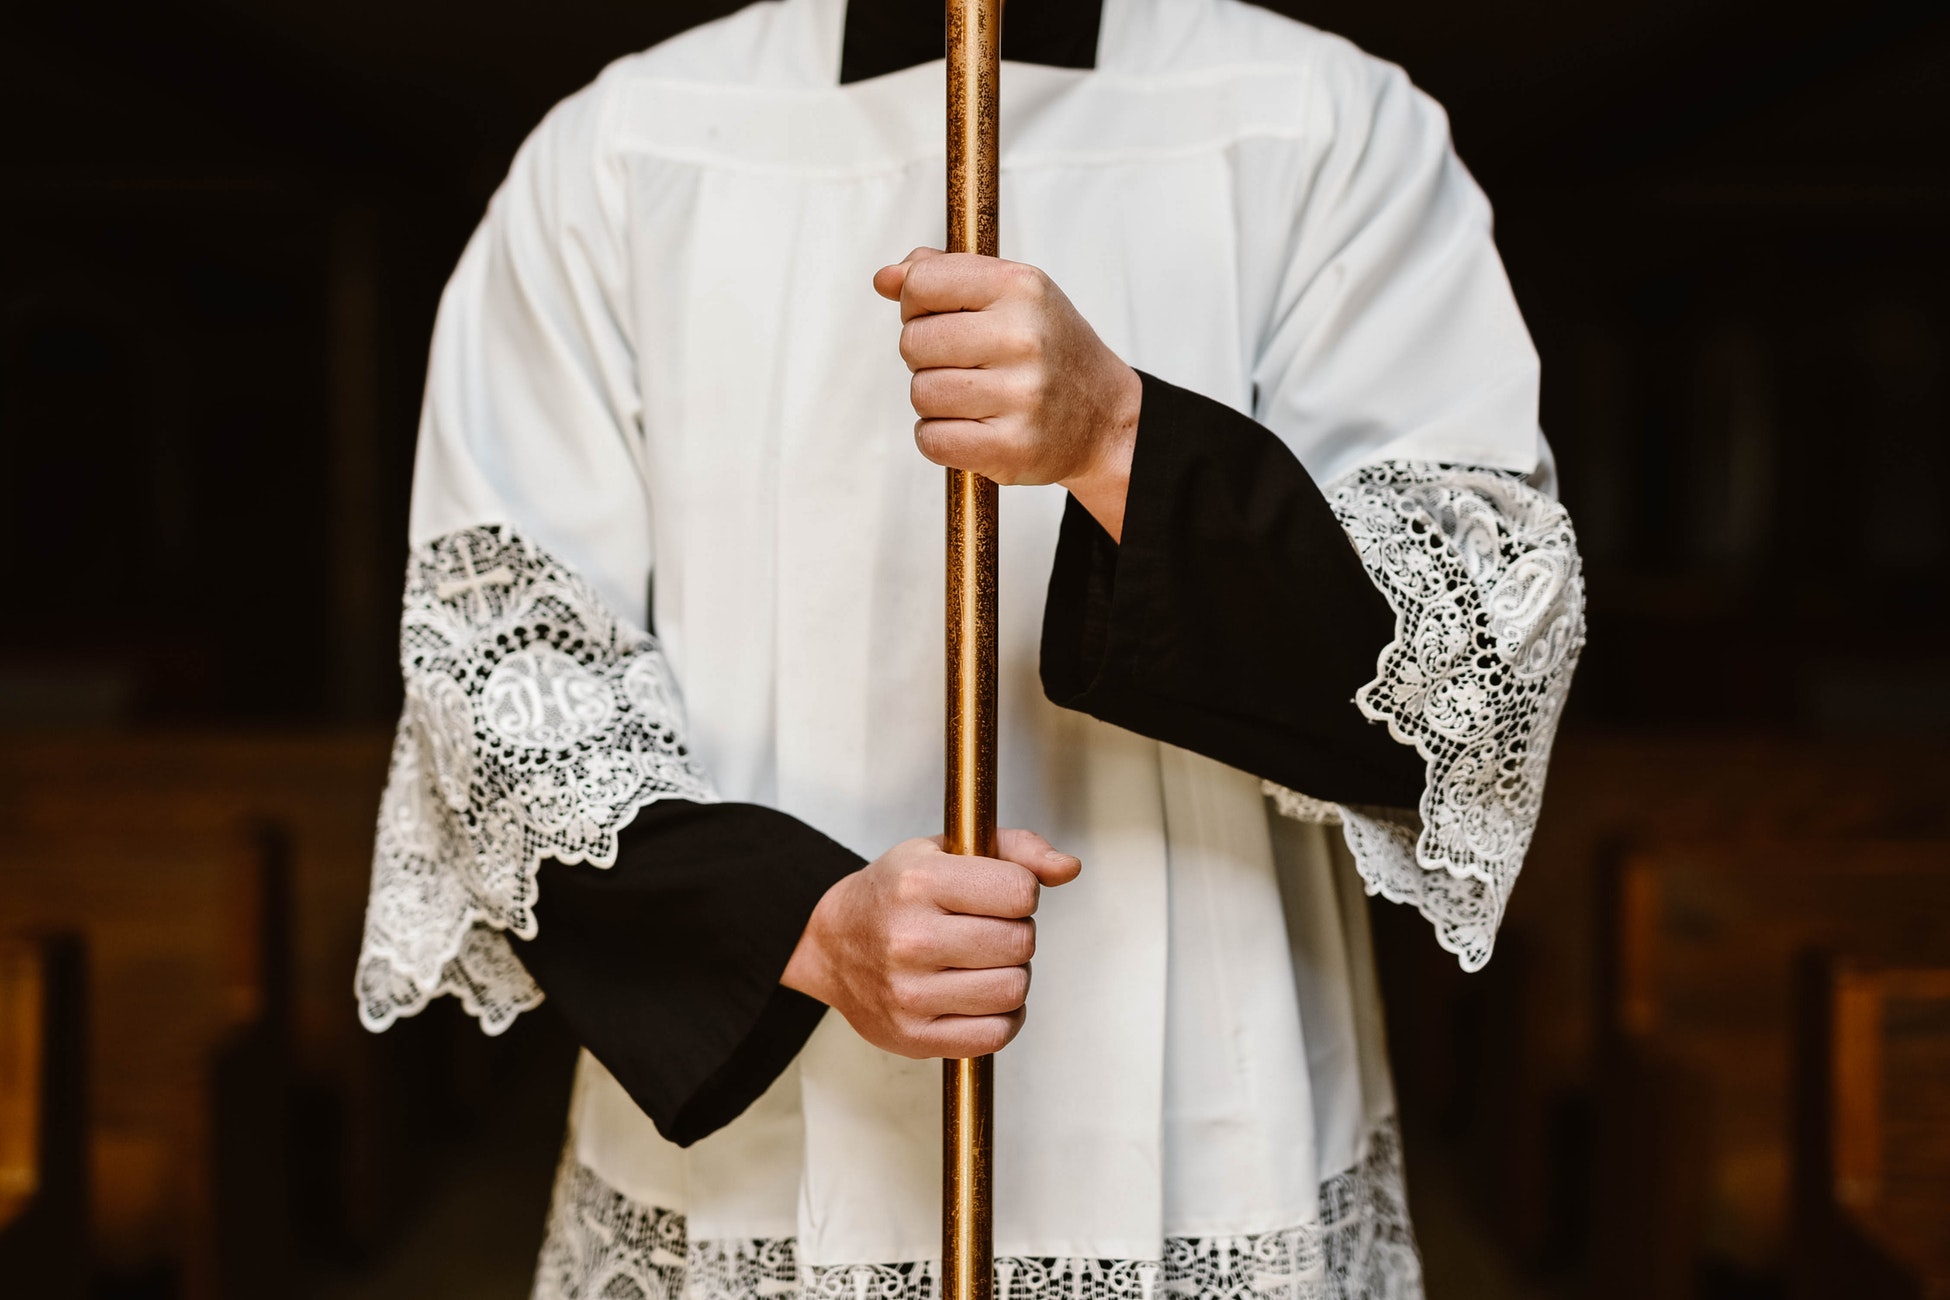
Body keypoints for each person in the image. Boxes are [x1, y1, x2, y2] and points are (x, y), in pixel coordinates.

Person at [354, 0, 1586, 1296]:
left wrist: (1119, 439)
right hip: (767, 1148)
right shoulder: (619, 150)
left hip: (1212, 1126)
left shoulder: (1323, 124)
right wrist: (805, 925)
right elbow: (497, 649)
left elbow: (1465, 663)